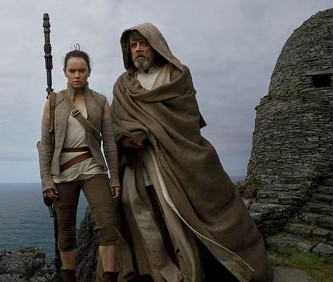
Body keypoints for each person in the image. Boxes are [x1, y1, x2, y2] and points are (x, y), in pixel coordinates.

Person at [110, 23, 273, 282]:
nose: (138, 49)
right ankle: (161, 271)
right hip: (142, 164)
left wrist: (149, 131)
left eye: (144, 43)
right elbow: (117, 122)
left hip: (180, 157)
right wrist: (126, 138)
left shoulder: (177, 76)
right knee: (145, 212)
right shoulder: (123, 86)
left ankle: (199, 271)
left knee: (182, 212)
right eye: (133, 45)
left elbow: (186, 117)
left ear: (156, 45)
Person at [38, 47, 121, 282]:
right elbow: (45, 145)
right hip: (62, 173)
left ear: (89, 72)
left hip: (93, 168)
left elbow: (110, 144)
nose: (77, 75)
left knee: (108, 225)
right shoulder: (53, 103)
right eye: (72, 70)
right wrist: (46, 181)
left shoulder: (101, 101)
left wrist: (114, 177)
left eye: (81, 70)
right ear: (64, 72)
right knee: (65, 233)